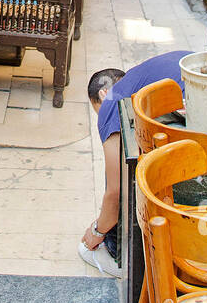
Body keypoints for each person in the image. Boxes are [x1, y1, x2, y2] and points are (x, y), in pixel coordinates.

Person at [80, 53, 191, 277]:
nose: (103, 121)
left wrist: (97, 231)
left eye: (98, 111)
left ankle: (118, 255)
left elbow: (115, 190)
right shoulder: (145, 76)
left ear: (103, 93)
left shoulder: (113, 99)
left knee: (120, 164)